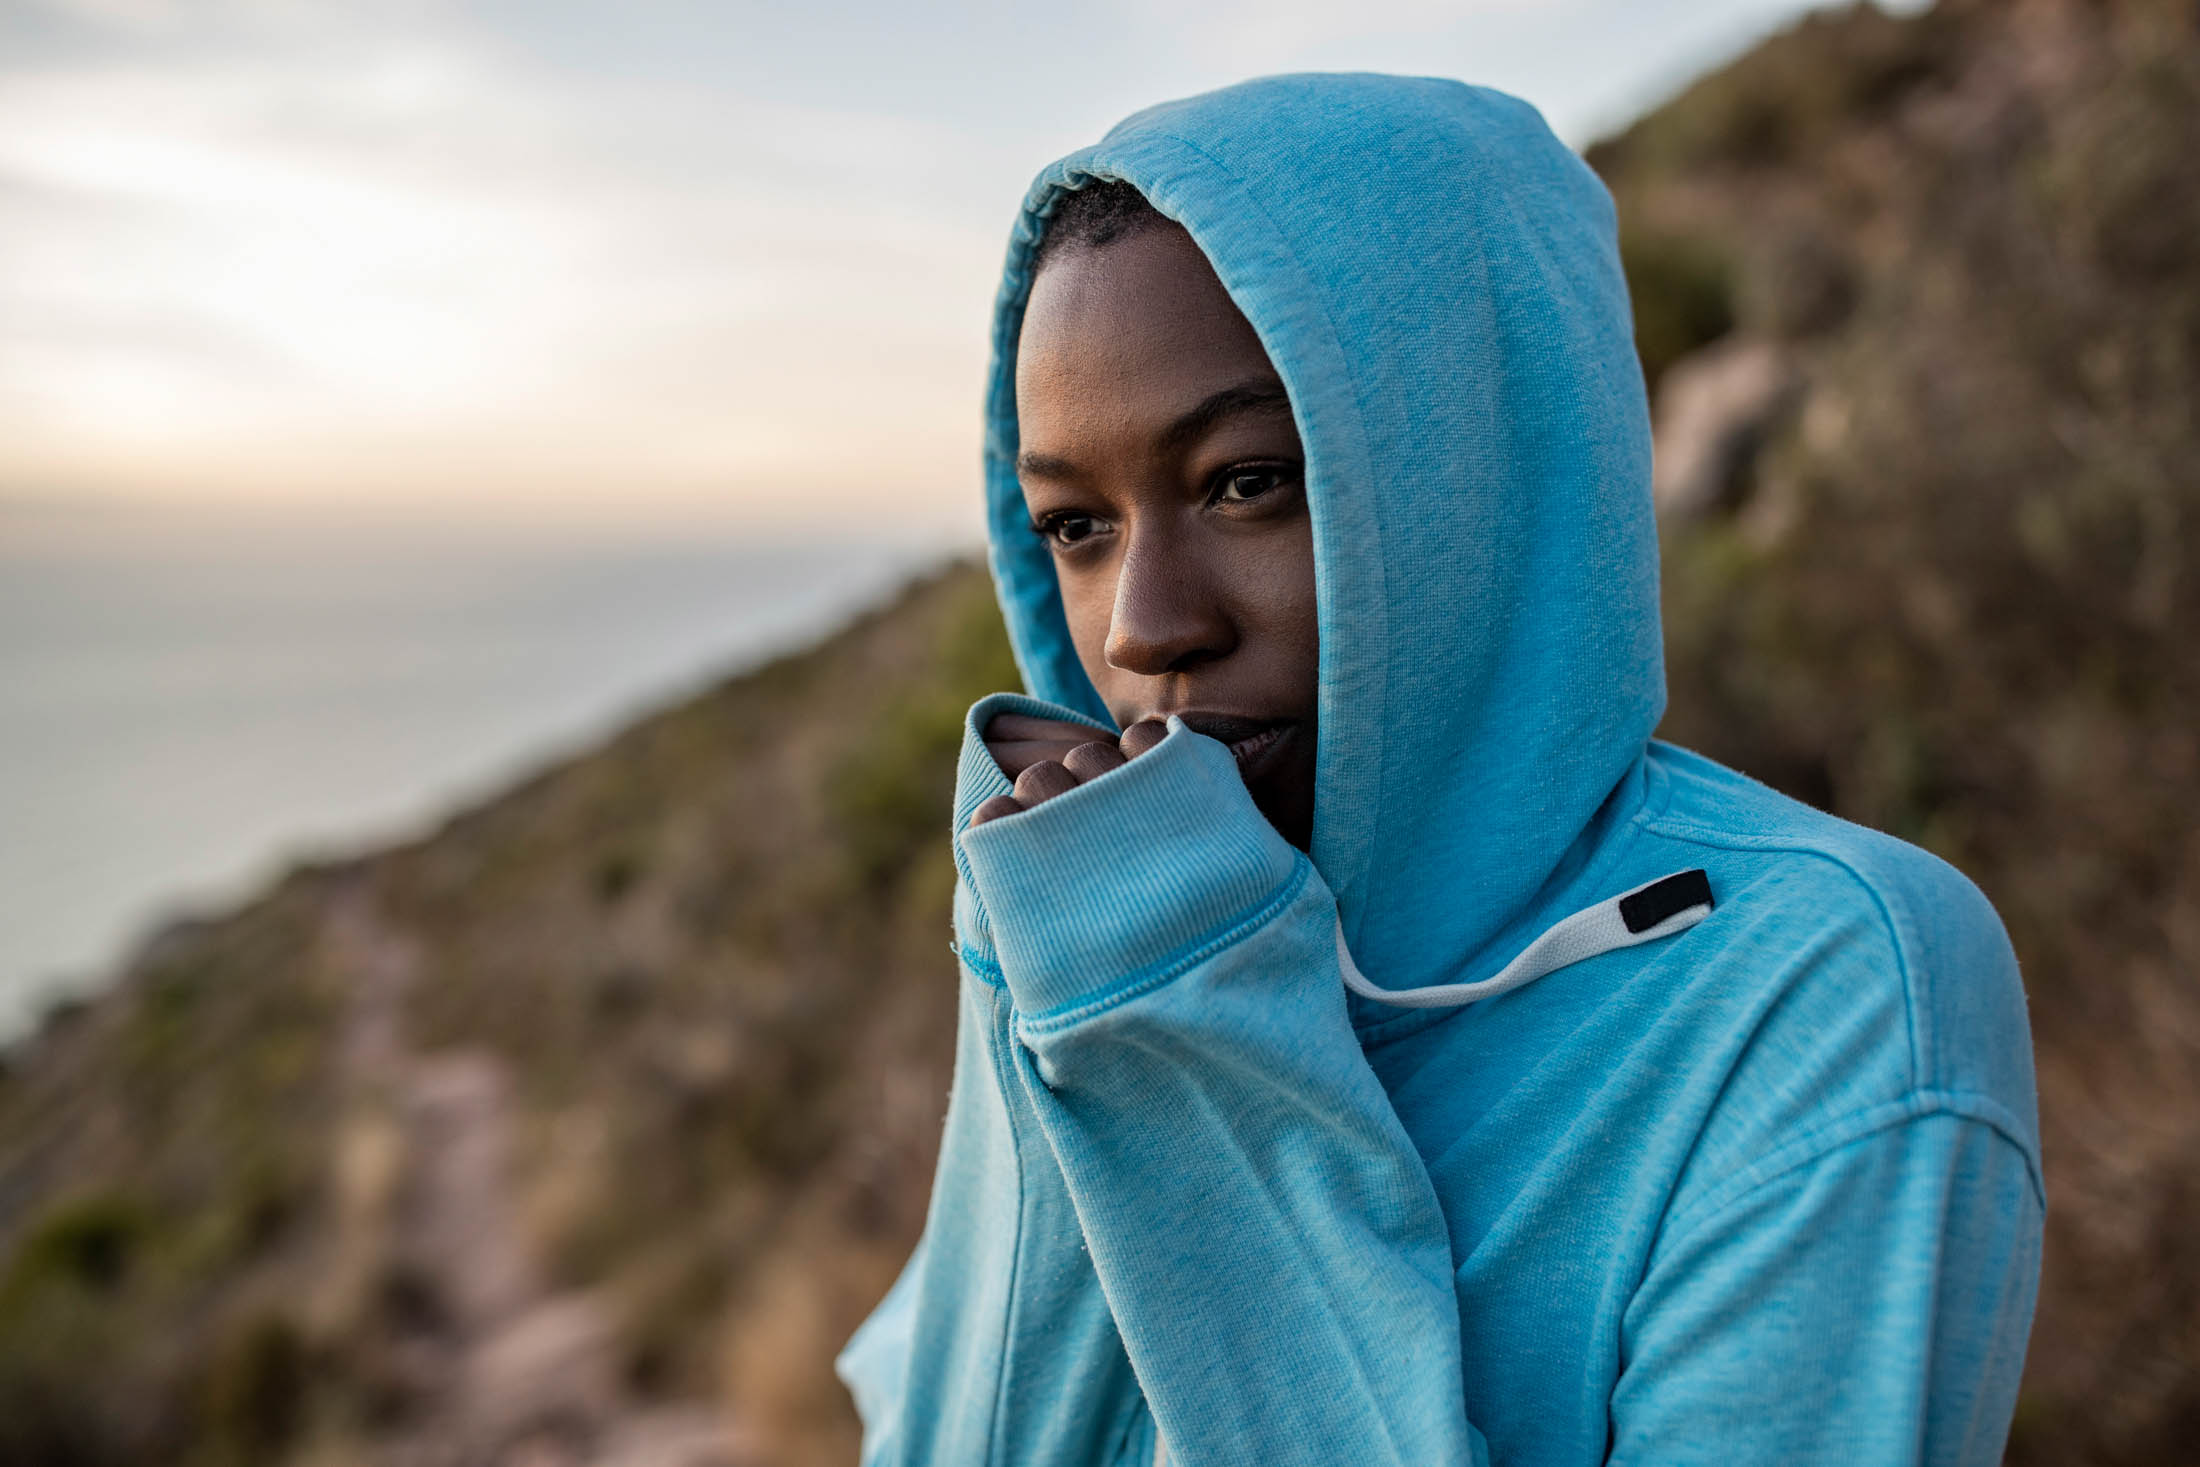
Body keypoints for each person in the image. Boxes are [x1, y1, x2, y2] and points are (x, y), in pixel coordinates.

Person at [836, 74, 2043, 1466]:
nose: (1143, 628)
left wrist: (1188, 1064)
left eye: (1248, 480)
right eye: (1077, 525)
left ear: (1473, 458)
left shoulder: (1824, 995)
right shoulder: (1100, 906)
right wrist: (1055, 993)